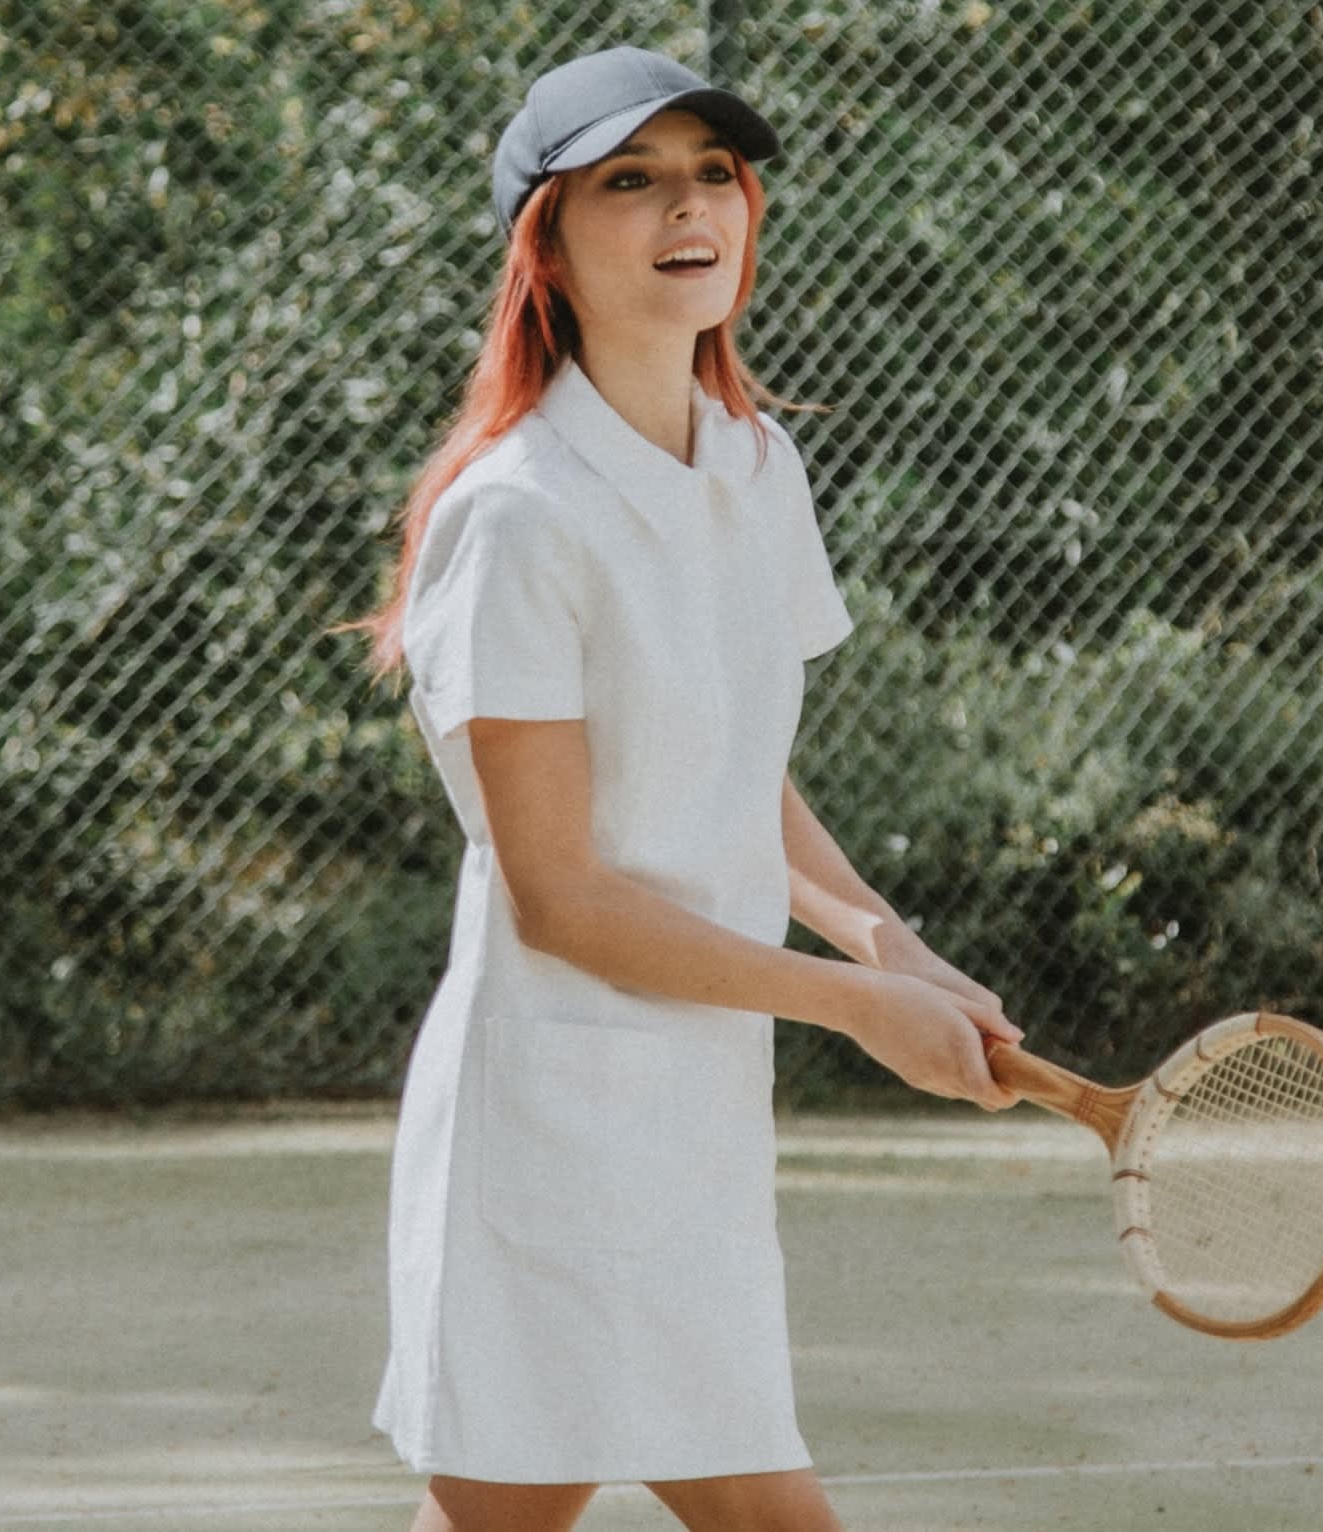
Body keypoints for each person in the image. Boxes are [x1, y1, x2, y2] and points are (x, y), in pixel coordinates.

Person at [343, 45, 1024, 1532]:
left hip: (696, 1115)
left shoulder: (756, 464)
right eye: (629, 181)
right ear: (550, 239)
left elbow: (735, 769)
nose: (686, 207)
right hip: (553, 1122)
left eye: (711, 172)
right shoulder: (518, 516)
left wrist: (888, 944)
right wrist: (857, 1009)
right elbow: (563, 897)